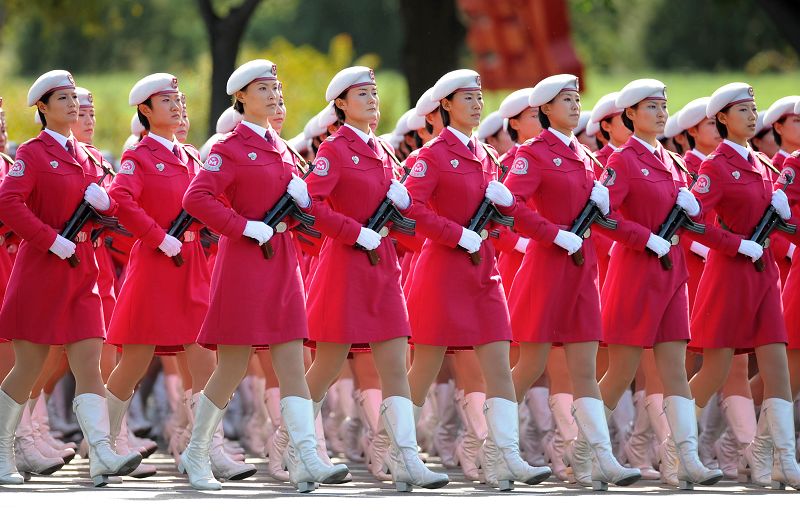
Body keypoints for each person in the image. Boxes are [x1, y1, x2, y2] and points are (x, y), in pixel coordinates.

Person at [182, 59, 348, 492]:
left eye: (277, 88)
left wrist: (300, 205)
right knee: (232, 365)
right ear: (240, 98)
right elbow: (196, 198)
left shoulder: (282, 148)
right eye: (263, 89)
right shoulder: (228, 147)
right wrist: (243, 225)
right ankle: (197, 452)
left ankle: (306, 456)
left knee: (293, 361)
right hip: (244, 263)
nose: (275, 96)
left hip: (281, 261)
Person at [297, 66, 448, 492]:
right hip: (345, 265)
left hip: (382, 266)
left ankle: (404, 457)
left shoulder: (381, 149)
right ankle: (295, 442)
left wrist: (403, 215)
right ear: (341, 104)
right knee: (327, 364)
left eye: (375, 93)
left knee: (396, 363)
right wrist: (352, 230)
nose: (372, 100)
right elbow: (312, 203)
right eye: (361, 94)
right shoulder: (335, 149)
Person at [401, 69, 552, 491]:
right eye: (466, 98)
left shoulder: (485, 156)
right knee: (425, 365)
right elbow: (410, 207)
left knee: (499, 362)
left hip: (482, 270)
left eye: (479, 97)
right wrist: (456, 233)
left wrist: (501, 229)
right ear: (446, 105)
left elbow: (496, 215)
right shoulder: (432, 155)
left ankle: (504, 454)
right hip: (442, 271)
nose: (476, 104)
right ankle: (398, 450)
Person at [0, 70, 141, 486]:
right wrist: (47, 239)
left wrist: (107, 207)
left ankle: (101, 453)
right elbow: (8, 202)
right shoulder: (32, 153)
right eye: (62, 99)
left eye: (73, 99)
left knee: (90, 364)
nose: (72, 105)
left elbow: (111, 214)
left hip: (83, 273)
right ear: (42, 108)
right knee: (28, 366)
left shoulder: (89, 157)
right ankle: (2, 451)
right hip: (42, 269)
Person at [500, 74, 639, 491]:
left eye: (577, 98)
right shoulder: (533, 153)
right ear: (545, 109)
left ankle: (597, 456)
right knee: (531, 364)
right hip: (546, 267)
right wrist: (551, 233)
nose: (576, 105)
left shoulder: (586, 155)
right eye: (566, 99)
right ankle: (496, 447)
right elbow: (511, 202)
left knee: (584, 366)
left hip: (582, 268)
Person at [104, 73, 231, 480]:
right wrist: (158, 237)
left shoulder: (192, 155)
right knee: (136, 360)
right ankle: (104, 442)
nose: (177, 107)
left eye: (179, 100)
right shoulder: (137, 157)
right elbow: (120, 199)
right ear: (145, 110)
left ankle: (206, 449)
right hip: (158, 264)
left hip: (192, 263)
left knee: (204, 360)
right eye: (166, 101)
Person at [598, 78, 723, 489]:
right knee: (622, 370)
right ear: (629, 115)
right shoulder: (623, 161)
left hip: (672, 273)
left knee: (673, 369)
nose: (660, 112)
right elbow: (605, 215)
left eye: (663, 105)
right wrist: (642, 237)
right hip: (636, 272)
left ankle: (683, 457)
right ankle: (587, 449)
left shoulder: (671, 161)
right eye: (650, 107)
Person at [687, 83, 800, 490]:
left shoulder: (762, 163)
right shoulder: (715, 166)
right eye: (743, 110)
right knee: (716, 369)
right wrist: (737, 244)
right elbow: (694, 221)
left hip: (763, 275)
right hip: (730, 276)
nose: (753, 117)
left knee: (777, 368)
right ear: (721, 119)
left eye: (754, 109)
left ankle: (782, 459)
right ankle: (677, 447)